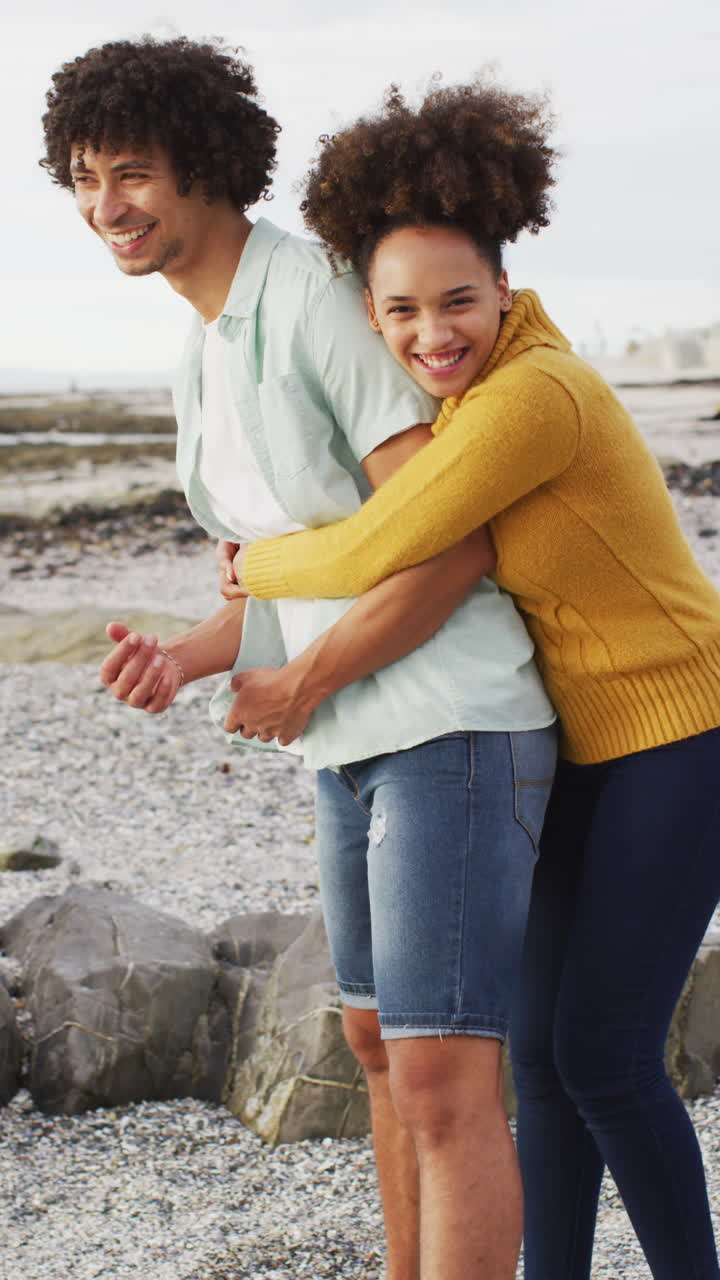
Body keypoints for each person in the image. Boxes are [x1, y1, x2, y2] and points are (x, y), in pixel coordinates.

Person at [41, 39, 560, 1279]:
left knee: (444, 1073)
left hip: (451, 720)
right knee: (380, 1046)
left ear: (207, 167)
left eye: (134, 172)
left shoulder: (316, 296)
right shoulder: (203, 346)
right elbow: (299, 567)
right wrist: (195, 654)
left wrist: (303, 680)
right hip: (347, 735)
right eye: (83, 176)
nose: (106, 204)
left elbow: (447, 541)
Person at [224, 82, 720, 1279]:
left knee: (602, 1053)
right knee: (541, 1057)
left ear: (507, 287)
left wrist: (254, 563)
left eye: (457, 301)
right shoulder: (467, 405)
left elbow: (377, 543)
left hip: (686, 729)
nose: (430, 333)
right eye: (399, 310)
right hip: (587, 741)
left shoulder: (531, 398)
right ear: (369, 310)